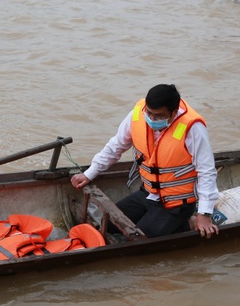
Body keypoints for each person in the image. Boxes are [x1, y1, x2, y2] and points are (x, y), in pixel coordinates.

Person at [70, 84, 219, 239]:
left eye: (159, 116)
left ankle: (189, 222)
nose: (152, 120)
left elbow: (206, 171)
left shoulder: (193, 128)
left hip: (176, 204)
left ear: (174, 112)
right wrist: (89, 174)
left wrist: (205, 214)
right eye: (149, 113)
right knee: (108, 225)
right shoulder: (139, 113)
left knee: (140, 239)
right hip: (147, 193)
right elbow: (116, 146)